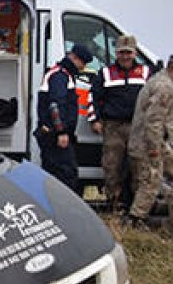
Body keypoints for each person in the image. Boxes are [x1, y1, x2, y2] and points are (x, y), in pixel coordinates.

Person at [94, 34, 150, 211]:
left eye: (128, 52)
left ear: (135, 53)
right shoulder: (105, 73)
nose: (125, 56)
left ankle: (135, 207)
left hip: (138, 127)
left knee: (138, 167)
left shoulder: (146, 72)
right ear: (116, 53)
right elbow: (93, 97)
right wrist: (95, 119)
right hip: (113, 127)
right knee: (112, 166)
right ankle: (114, 205)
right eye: (121, 52)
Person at [37, 45, 93, 193]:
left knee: (56, 174)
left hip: (50, 132)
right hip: (54, 135)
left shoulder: (61, 74)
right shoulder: (60, 76)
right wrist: (61, 132)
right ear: (75, 58)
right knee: (65, 174)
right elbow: (55, 105)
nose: (83, 68)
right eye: (83, 63)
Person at [126, 55, 173, 227]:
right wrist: (154, 149)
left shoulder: (158, 79)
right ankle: (136, 219)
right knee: (151, 180)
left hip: (155, 141)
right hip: (148, 143)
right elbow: (154, 121)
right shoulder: (164, 87)